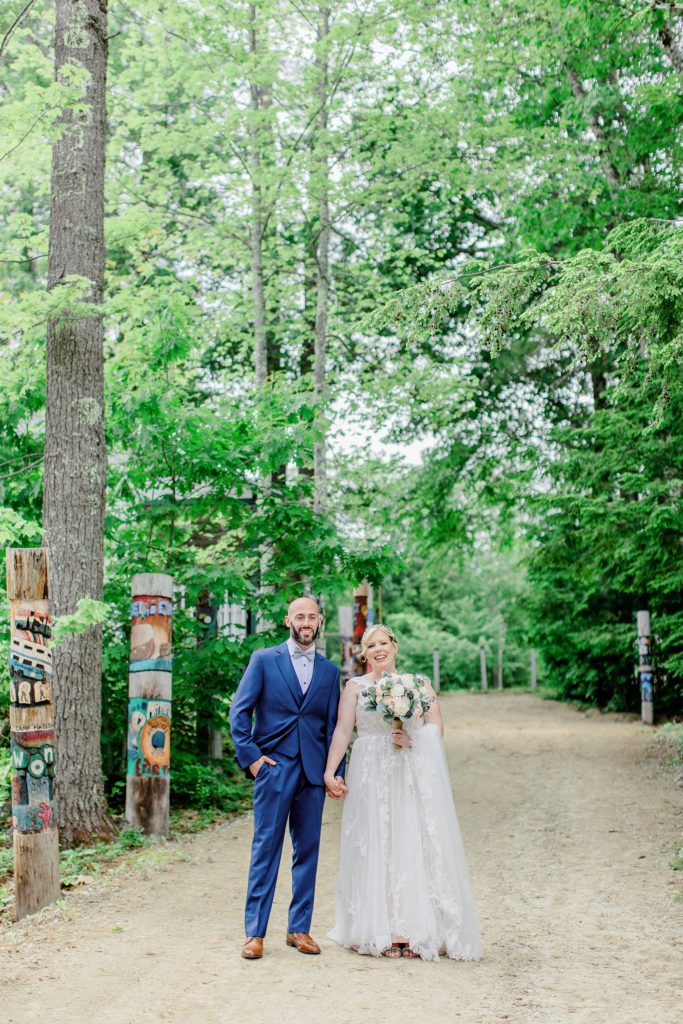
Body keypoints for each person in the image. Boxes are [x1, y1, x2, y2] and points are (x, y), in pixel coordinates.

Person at [325, 623, 483, 961]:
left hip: (407, 770)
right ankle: (382, 930)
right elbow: (342, 731)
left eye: (384, 643)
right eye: (371, 645)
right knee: (376, 842)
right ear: (363, 653)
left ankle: (413, 930)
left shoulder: (418, 684)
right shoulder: (354, 688)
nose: (378, 649)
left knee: (410, 840)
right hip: (370, 772)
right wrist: (330, 771)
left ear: (394, 646)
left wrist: (415, 739)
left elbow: (436, 725)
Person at [229, 596, 345, 960]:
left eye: (312, 616)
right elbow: (239, 712)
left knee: (307, 850)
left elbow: (333, 728)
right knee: (266, 847)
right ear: (287, 620)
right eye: (300, 616)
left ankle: (299, 929)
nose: (306, 621)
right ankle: (254, 933)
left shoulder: (329, 671)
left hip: (313, 773)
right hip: (273, 768)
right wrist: (252, 761)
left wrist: (335, 773)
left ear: (320, 621)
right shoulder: (264, 660)